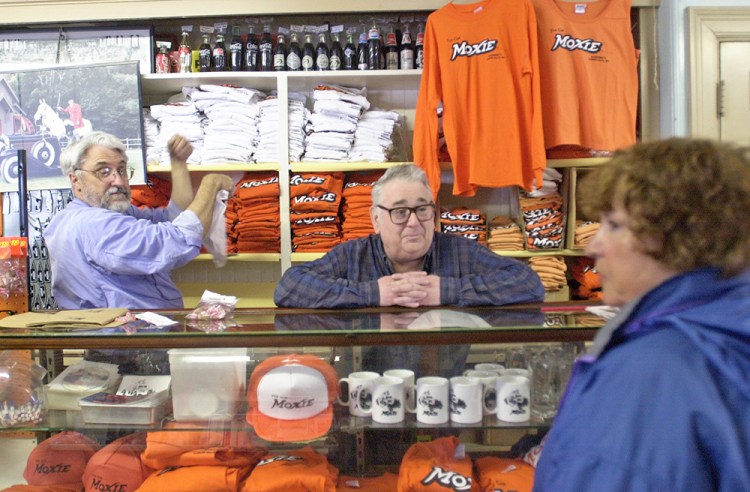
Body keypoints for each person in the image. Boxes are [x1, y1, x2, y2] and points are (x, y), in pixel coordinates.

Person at [533, 138, 750, 491]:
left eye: (614, 225)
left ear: (677, 236)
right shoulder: (728, 324)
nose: (593, 246)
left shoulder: (651, 370)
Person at [274, 163, 545, 308]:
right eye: (400, 211)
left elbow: (528, 282)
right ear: (375, 219)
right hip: (367, 386)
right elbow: (290, 286)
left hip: (444, 388)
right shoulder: (353, 255)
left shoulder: (461, 251)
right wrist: (374, 293)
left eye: (423, 209)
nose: (414, 222)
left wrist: (445, 290)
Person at [44, 131, 234, 310]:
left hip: (132, 336)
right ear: (75, 180)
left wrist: (178, 163)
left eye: (122, 170)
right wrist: (210, 184)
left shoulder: (97, 214)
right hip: (127, 340)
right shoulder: (94, 223)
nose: (118, 181)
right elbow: (175, 239)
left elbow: (174, 218)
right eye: (103, 172)